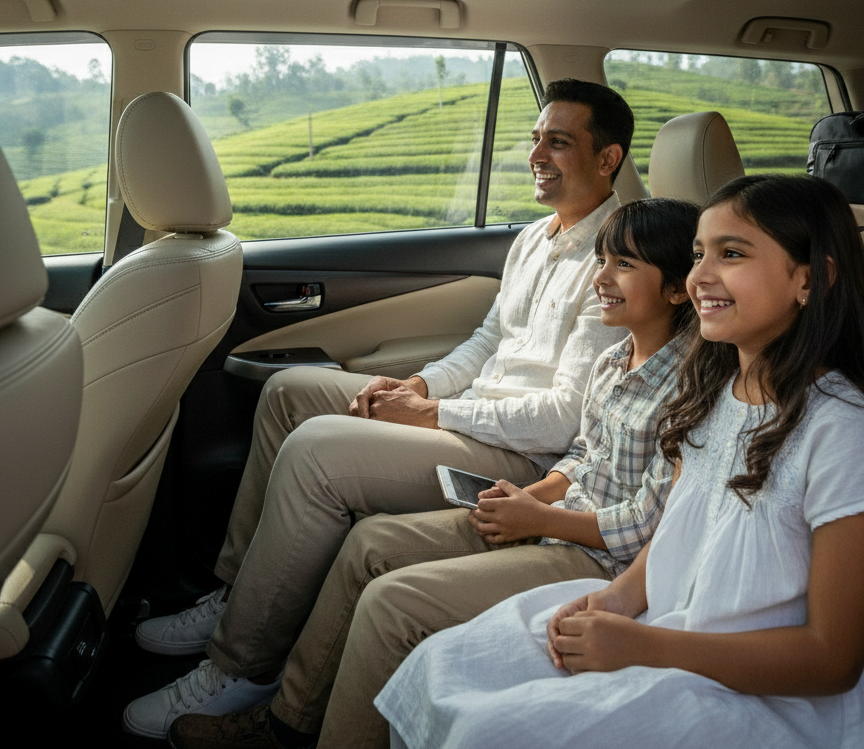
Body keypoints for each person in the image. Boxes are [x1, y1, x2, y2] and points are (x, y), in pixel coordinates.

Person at [123, 79, 633, 738]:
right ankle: (242, 597)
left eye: (558, 142)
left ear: (607, 159)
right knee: (290, 394)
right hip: (474, 413)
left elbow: (563, 417)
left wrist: (435, 417)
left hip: (521, 449)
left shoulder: (622, 259)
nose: (537, 152)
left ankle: (241, 664)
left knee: (317, 451)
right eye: (536, 137)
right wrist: (420, 387)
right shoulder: (536, 237)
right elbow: (486, 343)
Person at [375, 173, 864, 749]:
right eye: (697, 255)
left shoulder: (844, 434)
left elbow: (831, 661)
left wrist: (647, 647)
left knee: (492, 731)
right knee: (446, 662)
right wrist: (616, 599)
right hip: (668, 628)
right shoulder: (716, 394)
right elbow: (675, 532)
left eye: (732, 254)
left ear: (811, 280)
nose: (700, 277)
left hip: (762, 700)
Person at [165, 197, 700, 749]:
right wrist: (527, 498)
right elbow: (586, 451)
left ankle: (294, 715)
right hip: (553, 509)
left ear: (679, 288)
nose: (601, 276)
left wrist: (539, 516)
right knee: (368, 540)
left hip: (596, 552)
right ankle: (288, 718)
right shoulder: (615, 361)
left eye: (624, 265)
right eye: (602, 260)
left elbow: (647, 523)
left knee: (387, 600)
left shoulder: (688, 388)